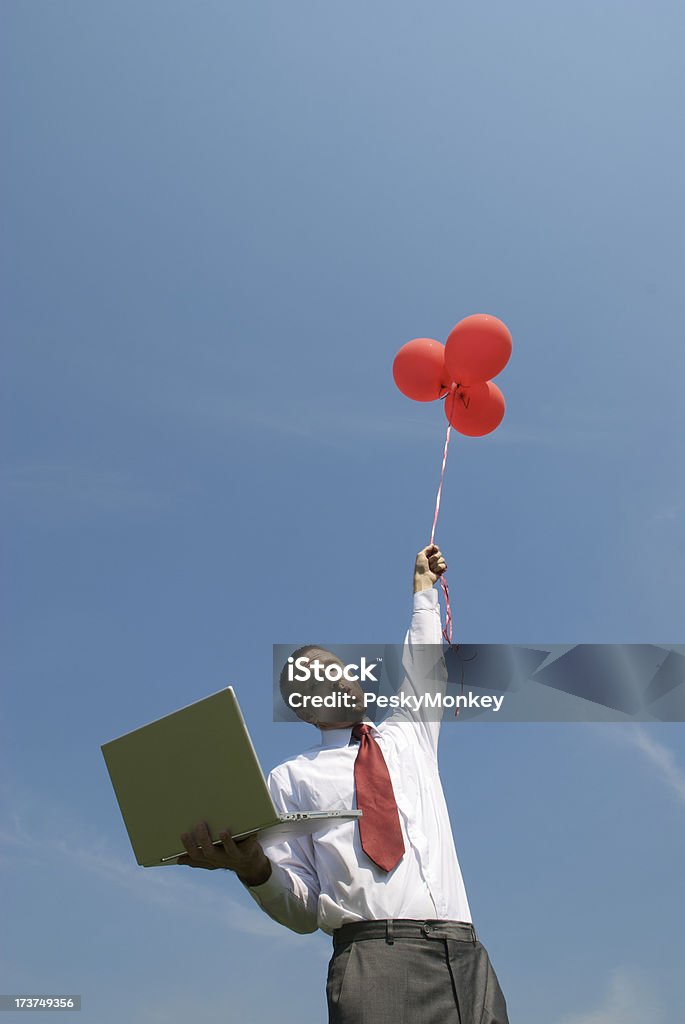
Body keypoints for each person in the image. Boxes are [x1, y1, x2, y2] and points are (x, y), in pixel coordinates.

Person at [177, 545, 509, 1023]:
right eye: (319, 681)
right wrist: (253, 868)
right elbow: (302, 908)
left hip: (467, 956)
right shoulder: (291, 778)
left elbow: (423, 666)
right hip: (376, 961)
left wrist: (422, 593)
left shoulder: (409, 734)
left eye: (340, 670)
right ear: (305, 711)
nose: (340, 681)